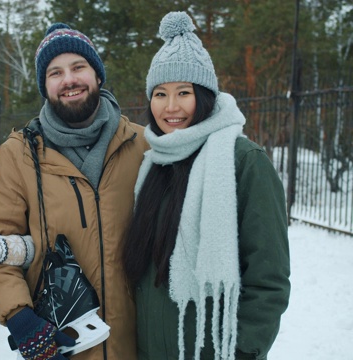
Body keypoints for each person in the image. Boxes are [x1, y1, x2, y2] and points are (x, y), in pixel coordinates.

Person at [0, 23, 149, 360]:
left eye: (78, 67)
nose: (68, 79)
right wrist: (21, 317)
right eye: (55, 72)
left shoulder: (143, 145)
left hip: (139, 344)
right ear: (45, 85)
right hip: (61, 345)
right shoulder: (18, 155)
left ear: (98, 76)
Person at [121, 11, 291, 360]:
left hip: (215, 349)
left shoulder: (243, 161)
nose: (171, 107)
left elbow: (268, 277)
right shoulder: (153, 162)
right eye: (160, 94)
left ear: (205, 94)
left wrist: (243, 351)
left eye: (183, 92)